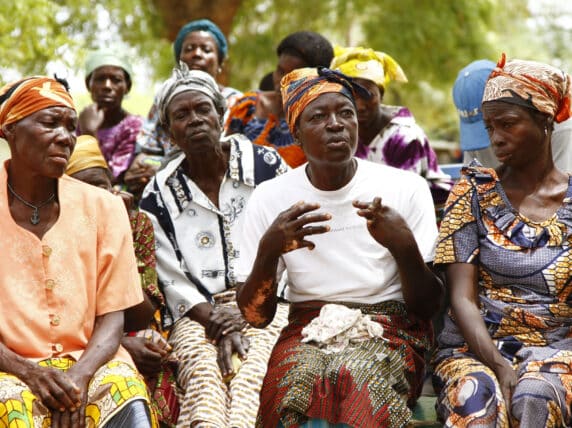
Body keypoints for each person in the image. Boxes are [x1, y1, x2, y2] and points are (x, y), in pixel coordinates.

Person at [236, 67, 444, 427]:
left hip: (390, 325)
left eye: (345, 113)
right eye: (319, 116)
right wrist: (270, 249)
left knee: (354, 379)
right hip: (308, 327)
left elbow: (428, 306)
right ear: (297, 133)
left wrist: (403, 245)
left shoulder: (404, 188)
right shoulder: (271, 197)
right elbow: (256, 317)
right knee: (288, 392)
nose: (336, 124)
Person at [139, 65, 290, 427]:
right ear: (169, 133)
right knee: (204, 381)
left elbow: (294, 247)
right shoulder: (158, 195)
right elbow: (171, 279)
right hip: (197, 314)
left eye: (202, 109)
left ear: (221, 115)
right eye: (181, 115)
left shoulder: (266, 166)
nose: (194, 120)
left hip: (270, 303)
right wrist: (222, 322)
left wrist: (247, 310)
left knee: (251, 377)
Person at [0, 76, 156, 427]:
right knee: (10, 404)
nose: (65, 137)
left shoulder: (104, 207)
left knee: (125, 388)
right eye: (50, 123)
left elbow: (113, 315)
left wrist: (78, 378)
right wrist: (30, 372)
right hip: (8, 368)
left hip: (92, 361)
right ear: (10, 129)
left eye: (71, 127)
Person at [432, 54, 572, 427]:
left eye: (508, 124)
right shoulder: (473, 191)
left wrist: (541, 361)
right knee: (476, 403)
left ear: (544, 120)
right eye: (490, 126)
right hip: (475, 348)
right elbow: (462, 296)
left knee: (535, 396)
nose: (495, 138)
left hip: (559, 348)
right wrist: (496, 362)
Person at [66, 135, 180, 427]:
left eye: (100, 185)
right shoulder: (57, 230)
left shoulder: (136, 223)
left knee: (161, 379)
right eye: (82, 187)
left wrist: (120, 232)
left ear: (113, 187)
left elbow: (143, 312)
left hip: (130, 328)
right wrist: (124, 349)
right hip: (75, 343)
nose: (94, 197)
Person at [125, 19, 242, 199]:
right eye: (189, 49)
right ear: (179, 60)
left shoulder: (239, 101)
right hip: (166, 178)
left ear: (220, 62)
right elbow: (147, 148)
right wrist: (140, 169)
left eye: (206, 50)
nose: (196, 54)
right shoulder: (164, 100)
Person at [330, 46, 453, 206]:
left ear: (381, 95)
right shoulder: (344, 132)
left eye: (368, 95)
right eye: (351, 96)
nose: (359, 105)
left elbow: (404, 200)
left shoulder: (404, 137)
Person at [225, 31, 334, 168]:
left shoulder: (319, 121)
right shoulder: (248, 106)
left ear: (314, 81)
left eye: (293, 77)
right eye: (280, 71)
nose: (282, 82)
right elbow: (225, 156)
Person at [78, 48, 143, 186]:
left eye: (116, 80)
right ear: (89, 85)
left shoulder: (134, 126)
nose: (107, 86)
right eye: (100, 79)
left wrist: (89, 133)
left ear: (127, 87)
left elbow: (108, 179)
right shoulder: (76, 124)